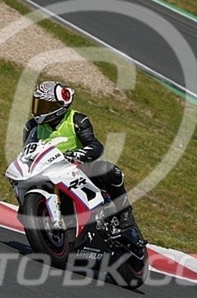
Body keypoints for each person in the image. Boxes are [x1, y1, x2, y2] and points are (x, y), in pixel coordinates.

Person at [23, 80, 142, 239]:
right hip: (47, 169)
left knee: (110, 170)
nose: (39, 110)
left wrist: (78, 154)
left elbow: (95, 145)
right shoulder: (32, 126)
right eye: (37, 104)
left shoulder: (77, 120)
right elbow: (27, 150)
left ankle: (124, 213)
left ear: (59, 106)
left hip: (78, 166)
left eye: (44, 106)